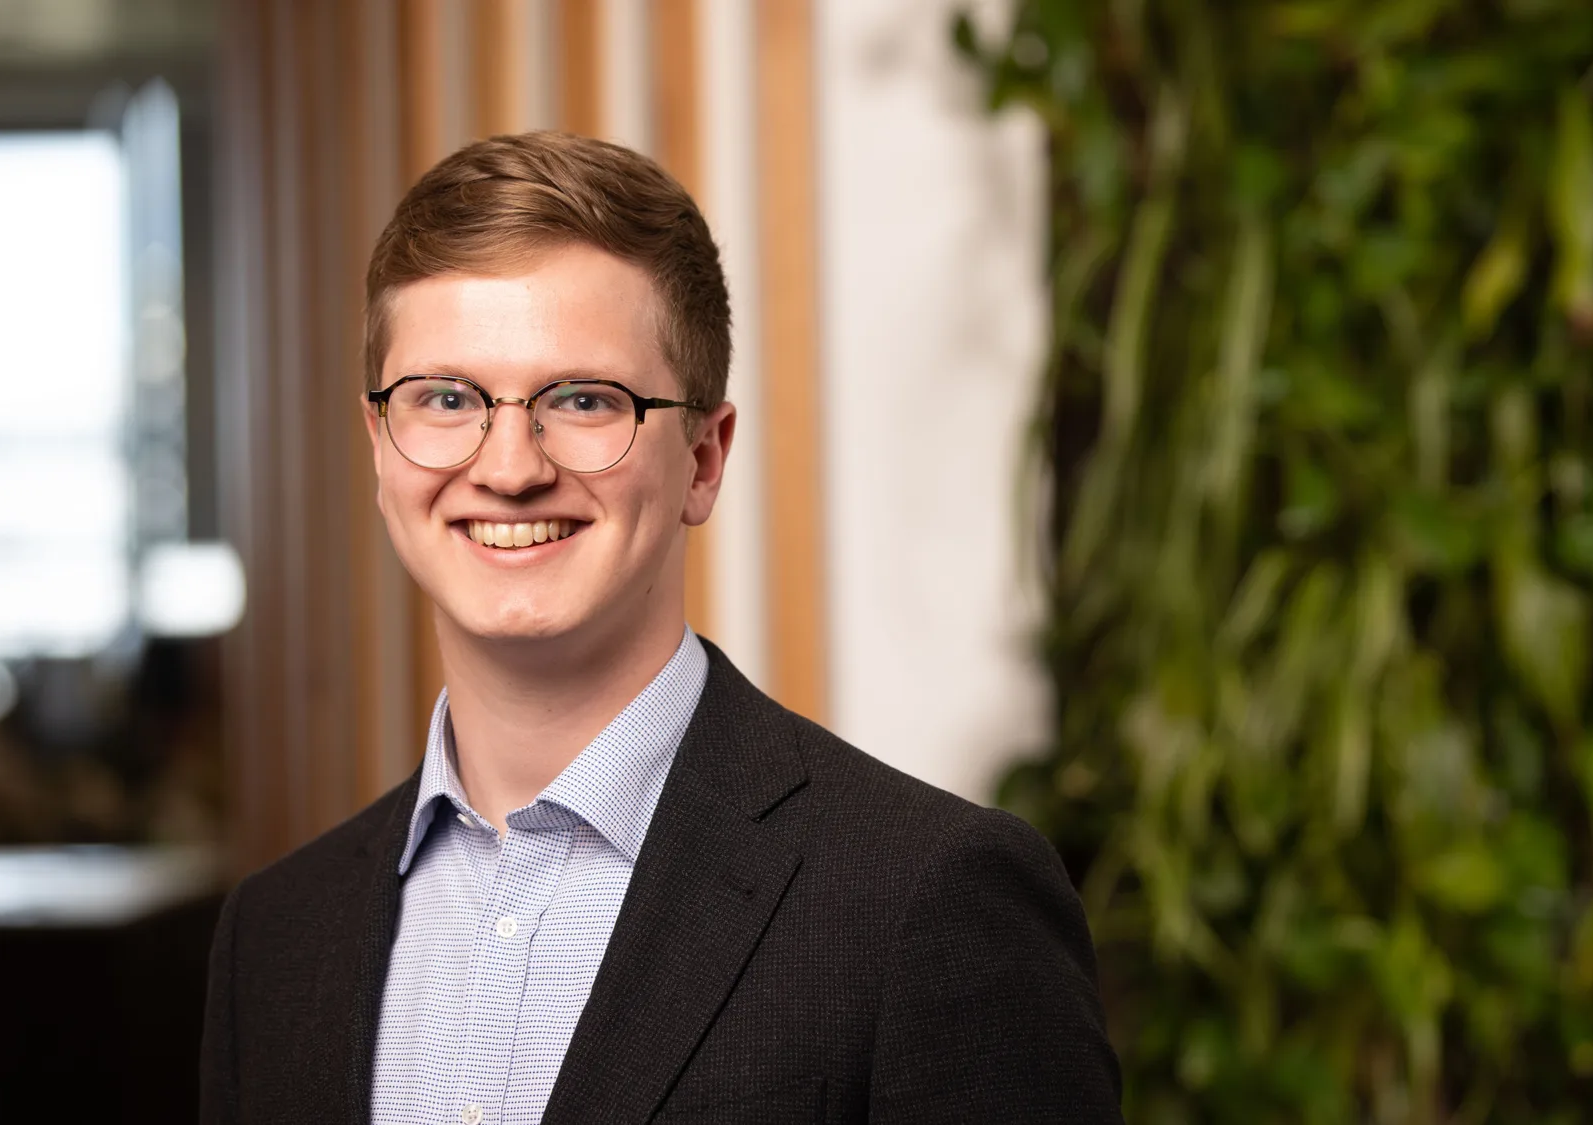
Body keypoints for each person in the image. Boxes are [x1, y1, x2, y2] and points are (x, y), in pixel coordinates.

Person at [198, 130, 1122, 1124]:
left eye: (585, 399)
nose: (509, 466)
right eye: (447, 398)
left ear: (703, 459)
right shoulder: (277, 938)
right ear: (382, 448)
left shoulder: (925, 902)